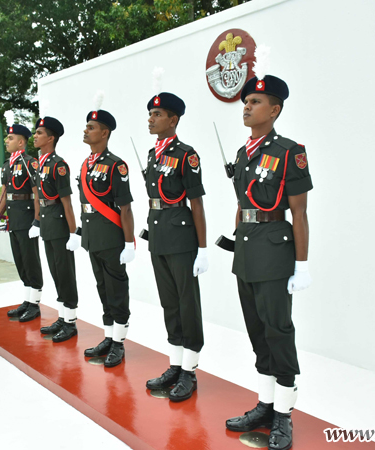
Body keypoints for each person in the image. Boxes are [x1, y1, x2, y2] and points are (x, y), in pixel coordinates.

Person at [224, 74, 313, 450]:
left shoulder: (289, 151)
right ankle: (265, 403)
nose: (247, 106)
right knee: (257, 330)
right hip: (246, 250)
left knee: (278, 330)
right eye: (245, 101)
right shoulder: (245, 153)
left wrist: (302, 263)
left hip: (275, 251)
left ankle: (284, 415)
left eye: (256, 102)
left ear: (274, 110)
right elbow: (243, 204)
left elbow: (299, 212)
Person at [141, 92, 208, 402]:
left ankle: (190, 371)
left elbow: (196, 203)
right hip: (159, 233)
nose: (151, 119)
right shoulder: (153, 153)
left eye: (157, 114)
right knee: (169, 302)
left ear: (173, 119)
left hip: (181, 235)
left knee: (187, 303)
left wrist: (203, 248)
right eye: (150, 114)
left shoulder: (186, 154)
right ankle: (175, 364)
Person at [78, 109, 135, 367]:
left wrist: (129, 241)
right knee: (103, 289)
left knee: (116, 291)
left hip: (112, 238)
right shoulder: (85, 164)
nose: (86, 130)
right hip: (93, 237)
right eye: (86, 126)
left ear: (104, 132)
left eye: (91, 127)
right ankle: (109, 337)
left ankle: (119, 343)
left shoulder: (116, 164)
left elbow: (125, 208)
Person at [32, 116, 81, 342]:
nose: (35, 135)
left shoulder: (58, 165)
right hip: (48, 222)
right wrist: (38, 221)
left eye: (40, 133)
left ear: (51, 138)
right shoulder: (41, 162)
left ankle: (70, 322)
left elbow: (67, 202)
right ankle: (63, 316)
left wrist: (73, 232)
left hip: (60, 223)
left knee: (65, 273)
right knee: (55, 271)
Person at [0, 122, 43, 322]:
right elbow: (5, 194)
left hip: (27, 218)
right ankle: (28, 300)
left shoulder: (31, 163)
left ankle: (35, 303)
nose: (7, 141)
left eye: (10, 138)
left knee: (31, 261)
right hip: (14, 219)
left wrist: (37, 221)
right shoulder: (7, 165)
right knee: (20, 261)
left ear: (21, 142)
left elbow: (37, 194)